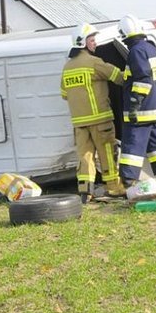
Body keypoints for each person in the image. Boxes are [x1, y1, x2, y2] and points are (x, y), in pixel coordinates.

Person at [60, 23, 126, 203]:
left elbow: (64, 94)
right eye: (92, 39)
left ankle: (85, 192)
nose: (95, 43)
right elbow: (119, 77)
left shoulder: (67, 67)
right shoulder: (94, 63)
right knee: (107, 153)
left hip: (79, 122)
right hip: (100, 120)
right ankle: (114, 188)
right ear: (83, 42)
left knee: (85, 156)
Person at [117, 14, 156, 191]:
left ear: (125, 34)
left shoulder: (136, 51)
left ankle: (129, 182)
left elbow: (143, 79)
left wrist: (134, 103)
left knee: (133, 146)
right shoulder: (152, 48)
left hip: (141, 111)